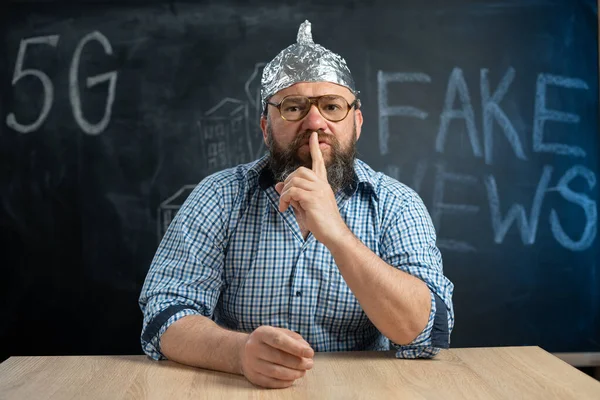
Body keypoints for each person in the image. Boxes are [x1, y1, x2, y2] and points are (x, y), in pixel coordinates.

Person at [139, 20, 454, 389]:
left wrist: (336, 233)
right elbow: (165, 313)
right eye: (293, 108)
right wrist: (238, 353)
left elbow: (423, 331)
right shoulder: (218, 196)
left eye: (332, 106)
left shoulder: (396, 204)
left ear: (357, 122)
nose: (315, 122)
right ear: (264, 126)